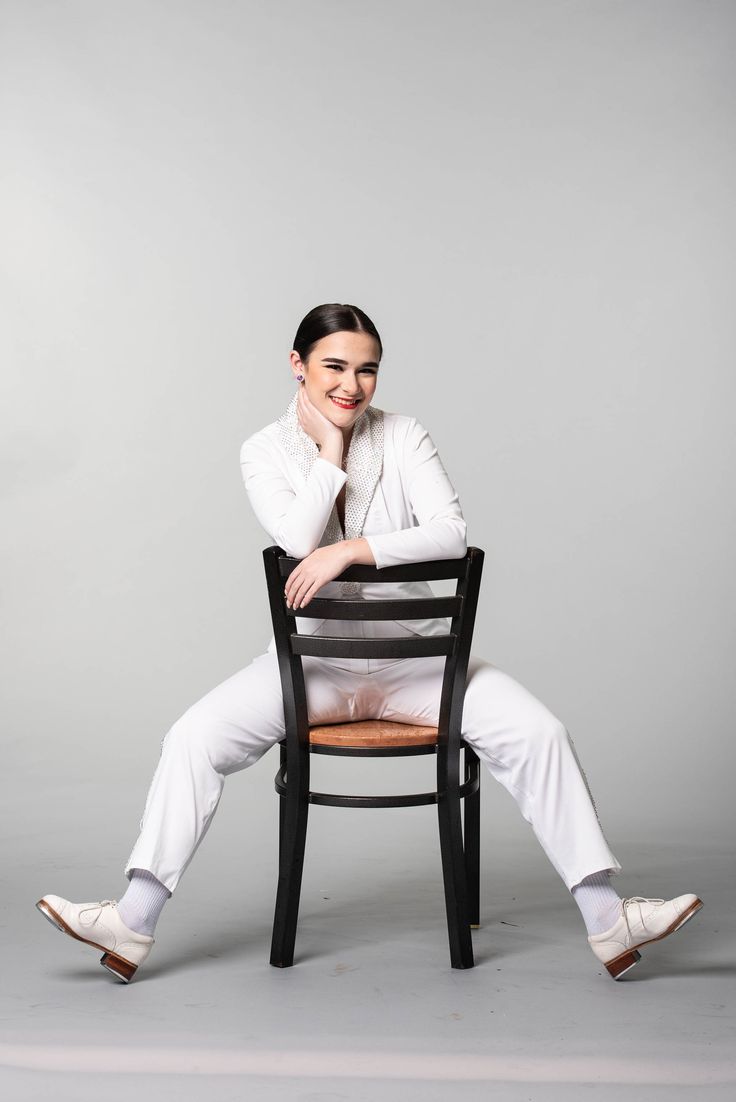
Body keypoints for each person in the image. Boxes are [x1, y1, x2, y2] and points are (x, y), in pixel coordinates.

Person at [36, 303, 702, 984]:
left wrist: (351, 549)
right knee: (192, 738)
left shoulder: (404, 435)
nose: (351, 385)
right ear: (297, 365)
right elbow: (296, 541)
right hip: (313, 670)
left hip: (420, 667)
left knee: (540, 732)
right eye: (334, 366)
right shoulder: (263, 449)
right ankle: (134, 920)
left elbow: (449, 532)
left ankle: (607, 921)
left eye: (366, 370)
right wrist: (329, 454)